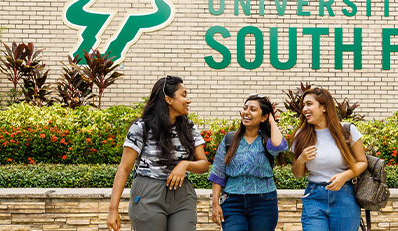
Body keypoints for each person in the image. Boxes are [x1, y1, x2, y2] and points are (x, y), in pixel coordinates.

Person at [107, 75, 210, 231]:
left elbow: (204, 164)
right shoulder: (141, 127)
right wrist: (112, 209)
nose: (188, 100)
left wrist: (185, 165)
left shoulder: (189, 127)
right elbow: (124, 168)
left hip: (182, 195)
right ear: (169, 100)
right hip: (148, 193)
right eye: (183, 95)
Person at [291, 87, 368, 231]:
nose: (304, 109)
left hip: (345, 197)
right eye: (303, 105)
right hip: (314, 197)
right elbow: (298, 174)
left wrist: (345, 176)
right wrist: (301, 159)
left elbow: (362, 162)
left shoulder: (347, 131)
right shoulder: (301, 135)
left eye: (309, 104)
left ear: (324, 107)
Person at [208, 94, 288, 230]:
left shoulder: (267, 141)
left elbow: (279, 145)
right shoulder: (230, 139)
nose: (247, 112)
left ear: (264, 117)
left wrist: (272, 122)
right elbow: (218, 173)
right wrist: (215, 204)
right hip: (233, 202)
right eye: (245, 108)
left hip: (264, 202)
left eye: (253, 109)